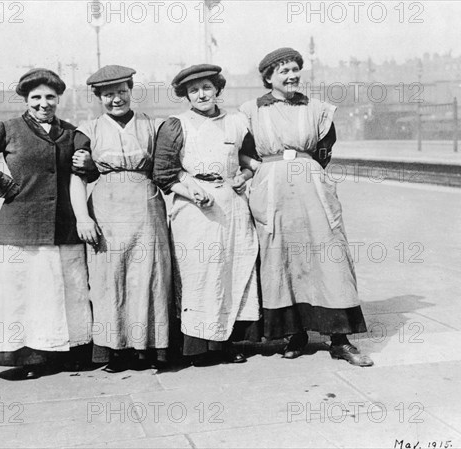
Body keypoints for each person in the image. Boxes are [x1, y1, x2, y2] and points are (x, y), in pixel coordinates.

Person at [239, 48, 373, 367]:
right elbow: (241, 151)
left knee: (328, 255)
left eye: (295, 70)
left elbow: (324, 149)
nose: (291, 76)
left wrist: (305, 168)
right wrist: (259, 169)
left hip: (311, 187)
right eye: (283, 71)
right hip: (272, 191)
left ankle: (339, 339)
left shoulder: (318, 109)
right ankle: (295, 335)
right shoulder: (249, 111)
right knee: (280, 257)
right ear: (268, 77)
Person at [0, 68, 93, 380]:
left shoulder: (72, 134)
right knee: (23, 293)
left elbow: (86, 172)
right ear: (26, 100)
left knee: (65, 292)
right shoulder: (8, 129)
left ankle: (68, 353)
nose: (43, 103)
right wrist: (2, 183)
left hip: (63, 229)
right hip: (20, 227)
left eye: (49, 97)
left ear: (58, 98)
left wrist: (88, 164)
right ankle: (29, 358)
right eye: (36, 98)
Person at [153, 64, 260, 366]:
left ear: (217, 90)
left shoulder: (237, 122)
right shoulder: (176, 125)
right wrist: (190, 191)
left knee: (233, 268)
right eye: (193, 90)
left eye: (207, 88)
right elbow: (163, 172)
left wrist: (246, 175)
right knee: (200, 271)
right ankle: (198, 346)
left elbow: (250, 157)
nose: (201, 94)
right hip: (194, 209)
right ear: (186, 95)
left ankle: (229, 342)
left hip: (233, 205)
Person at [70, 65, 171, 373]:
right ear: (99, 97)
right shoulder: (87, 131)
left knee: (150, 276)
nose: (117, 100)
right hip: (107, 209)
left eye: (122, 92)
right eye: (109, 94)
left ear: (131, 91)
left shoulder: (152, 126)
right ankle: (116, 351)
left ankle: (148, 349)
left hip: (146, 207)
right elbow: (78, 178)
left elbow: (167, 167)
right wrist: (82, 218)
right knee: (109, 278)